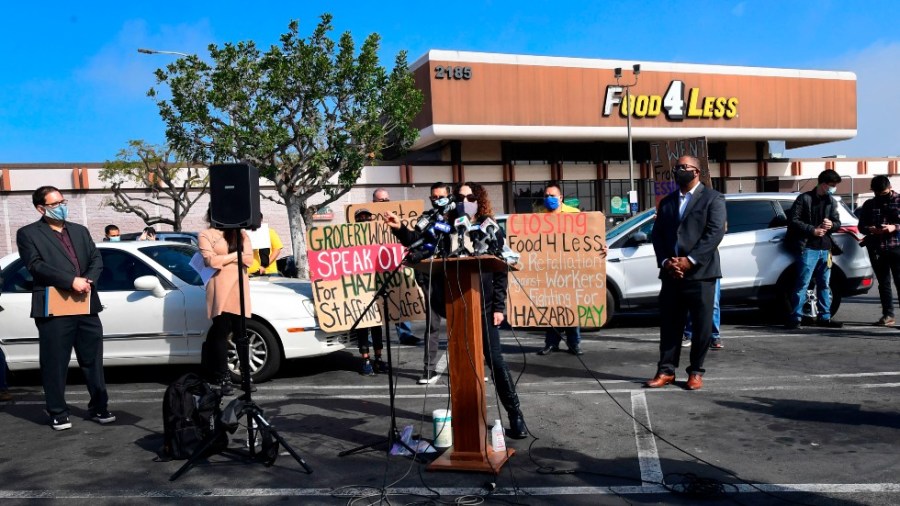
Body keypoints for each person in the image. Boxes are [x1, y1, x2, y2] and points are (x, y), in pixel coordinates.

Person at [16, 186, 114, 430]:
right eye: (54, 204)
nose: (62, 206)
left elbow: (96, 259)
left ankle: (99, 406)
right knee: (55, 362)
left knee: (92, 359)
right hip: (54, 305)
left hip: (85, 303)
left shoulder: (79, 231)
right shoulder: (28, 234)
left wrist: (88, 279)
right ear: (41, 208)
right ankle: (58, 411)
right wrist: (70, 281)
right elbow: (35, 265)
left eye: (63, 201)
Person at [644, 156, 726, 391]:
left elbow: (714, 233)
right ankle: (666, 370)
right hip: (671, 274)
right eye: (677, 168)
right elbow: (658, 235)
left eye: (684, 168)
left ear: (697, 172)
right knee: (670, 325)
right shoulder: (667, 201)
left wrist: (690, 261)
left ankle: (696, 372)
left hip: (701, 274)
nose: (679, 171)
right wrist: (666, 261)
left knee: (701, 327)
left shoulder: (713, 198)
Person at [455, 182, 528, 438]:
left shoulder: (490, 226)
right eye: (461, 196)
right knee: (461, 364)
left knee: (494, 360)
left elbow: (500, 268)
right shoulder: (450, 225)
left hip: (485, 306)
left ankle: (515, 414)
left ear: (480, 199)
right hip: (458, 306)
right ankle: (466, 418)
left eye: (470, 196)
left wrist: (499, 306)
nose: (465, 200)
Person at [384, 182, 448, 384]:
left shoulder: (457, 218)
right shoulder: (427, 219)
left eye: (441, 197)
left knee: (465, 327)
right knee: (433, 325)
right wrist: (400, 228)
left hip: (456, 278)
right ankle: (428, 370)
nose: (437, 201)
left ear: (450, 196)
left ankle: (472, 366)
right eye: (434, 198)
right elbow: (413, 239)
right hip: (430, 279)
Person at [198, 207, 254, 396]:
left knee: (241, 334)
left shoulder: (241, 233)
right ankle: (223, 377)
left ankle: (247, 376)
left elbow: (249, 259)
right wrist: (235, 256)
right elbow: (210, 262)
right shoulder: (206, 234)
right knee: (220, 333)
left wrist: (224, 258)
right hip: (218, 289)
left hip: (239, 287)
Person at [784, 169, 844, 329]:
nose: (833, 188)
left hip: (826, 248)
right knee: (802, 283)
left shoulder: (831, 201)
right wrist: (812, 230)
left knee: (825, 284)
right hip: (808, 247)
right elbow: (793, 220)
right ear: (823, 184)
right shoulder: (804, 198)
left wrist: (832, 225)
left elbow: (837, 223)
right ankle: (796, 317)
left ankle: (825, 317)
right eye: (832, 185)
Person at [536, 182, 585, 356]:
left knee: (570, 306)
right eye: (546, 195)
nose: (548, 198)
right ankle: (551, 343)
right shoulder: (539, 217)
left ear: (561, 198)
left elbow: (587, 239)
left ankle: (574, 343)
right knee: (551, 308)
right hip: (549, 269)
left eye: (552, 195)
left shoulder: (575, 215)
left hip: (570, 268)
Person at [371, 188, 420, 345]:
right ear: (373, 202)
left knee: (400, 299)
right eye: (381, 200)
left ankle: (405, 334)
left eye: (387, 200)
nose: (384, 203)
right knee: (374, 302)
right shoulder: (367, 219)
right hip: (374, 269)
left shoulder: (398, 218)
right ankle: (373, 338)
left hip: (395, 266)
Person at [857, 175, 900, 326]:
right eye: (877, 193)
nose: (880, 196)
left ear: (889, 188)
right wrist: (871, 229)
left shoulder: (898, 200)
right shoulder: (869, 204)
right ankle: (888, 315)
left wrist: (894, 227)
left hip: (897, 247)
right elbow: (861, 226)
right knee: (883, 283)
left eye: (883, 193)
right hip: (877, 248)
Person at [351, 208, 387, 376]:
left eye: (367, 216)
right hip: (359, 289)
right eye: (360, 217)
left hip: (377, 287)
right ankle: (365, 360)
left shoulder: (379, 238)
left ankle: (378, 359)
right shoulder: (350, 240)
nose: (364, 219)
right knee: (363, 327)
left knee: (377, 326)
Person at [683, 278, 723, 350]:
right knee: (691, 300)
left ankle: (715, 336)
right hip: (695, 271)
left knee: (713, 303)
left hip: (711, 271)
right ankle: (689, 334)